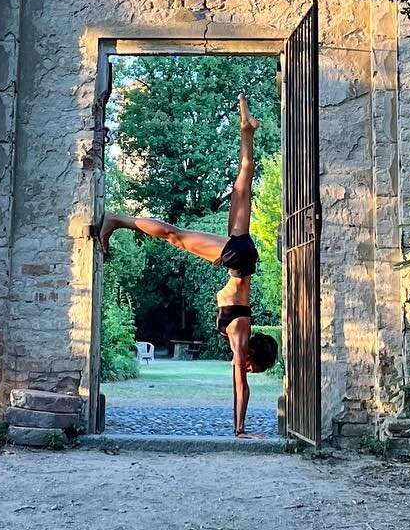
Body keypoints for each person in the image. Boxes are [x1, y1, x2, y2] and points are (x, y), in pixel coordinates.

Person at [99, 93, 280, 437]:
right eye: (254, 367)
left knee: (243, 180)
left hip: (241, 258)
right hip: (237, 260)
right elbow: (241, 386)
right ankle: (116, 220)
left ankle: (247, 131)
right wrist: (240, 428)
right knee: (174, 235)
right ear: (254, 357)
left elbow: (241, 380)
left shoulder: (240, 336)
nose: (248, 369)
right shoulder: (241, 336)